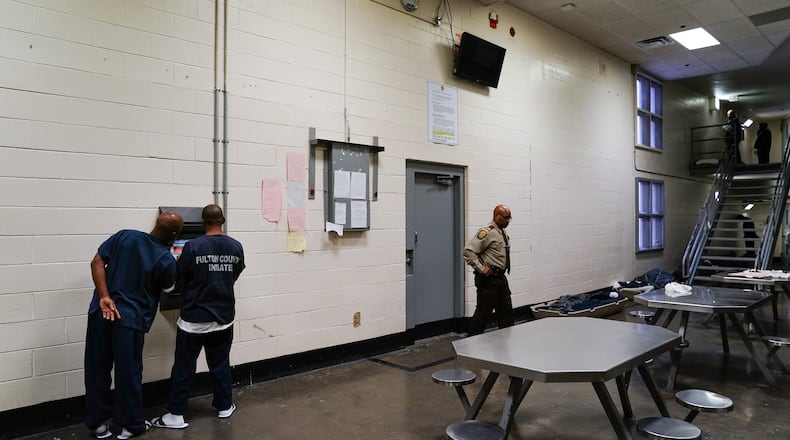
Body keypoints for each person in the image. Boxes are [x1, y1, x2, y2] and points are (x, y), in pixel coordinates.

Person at [85, 211, 184, 439]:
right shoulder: (165, 259)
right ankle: (131, 426)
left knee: (96, 369)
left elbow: (97, 262)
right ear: (173, 236)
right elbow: (169, 288)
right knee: (128, 373)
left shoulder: (125, 236)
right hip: (129, 321)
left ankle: (97, 424)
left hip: (101, 313)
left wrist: (104, 296)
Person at [153, 204, 245, 429]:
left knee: (184, 368)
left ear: (203, 222)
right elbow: (234, 275)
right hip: (223, 318)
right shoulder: (236, 246)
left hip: (194, 319)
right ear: (222, 221)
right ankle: (224, 406)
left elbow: (180, 277)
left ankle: (176, 414)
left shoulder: (193, 246)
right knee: (220, 364)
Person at [463, 204, 513, 336]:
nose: (508, 220)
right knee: (482, 314)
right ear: (496, 216)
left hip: (500, 279)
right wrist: (481, 268)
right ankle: (471, 342)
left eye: (509, 218)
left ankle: (507, 343)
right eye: (505, 217)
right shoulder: (487, 232)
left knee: (506, 313)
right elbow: (468, 251)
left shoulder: (502, 232)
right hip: (489, 281)